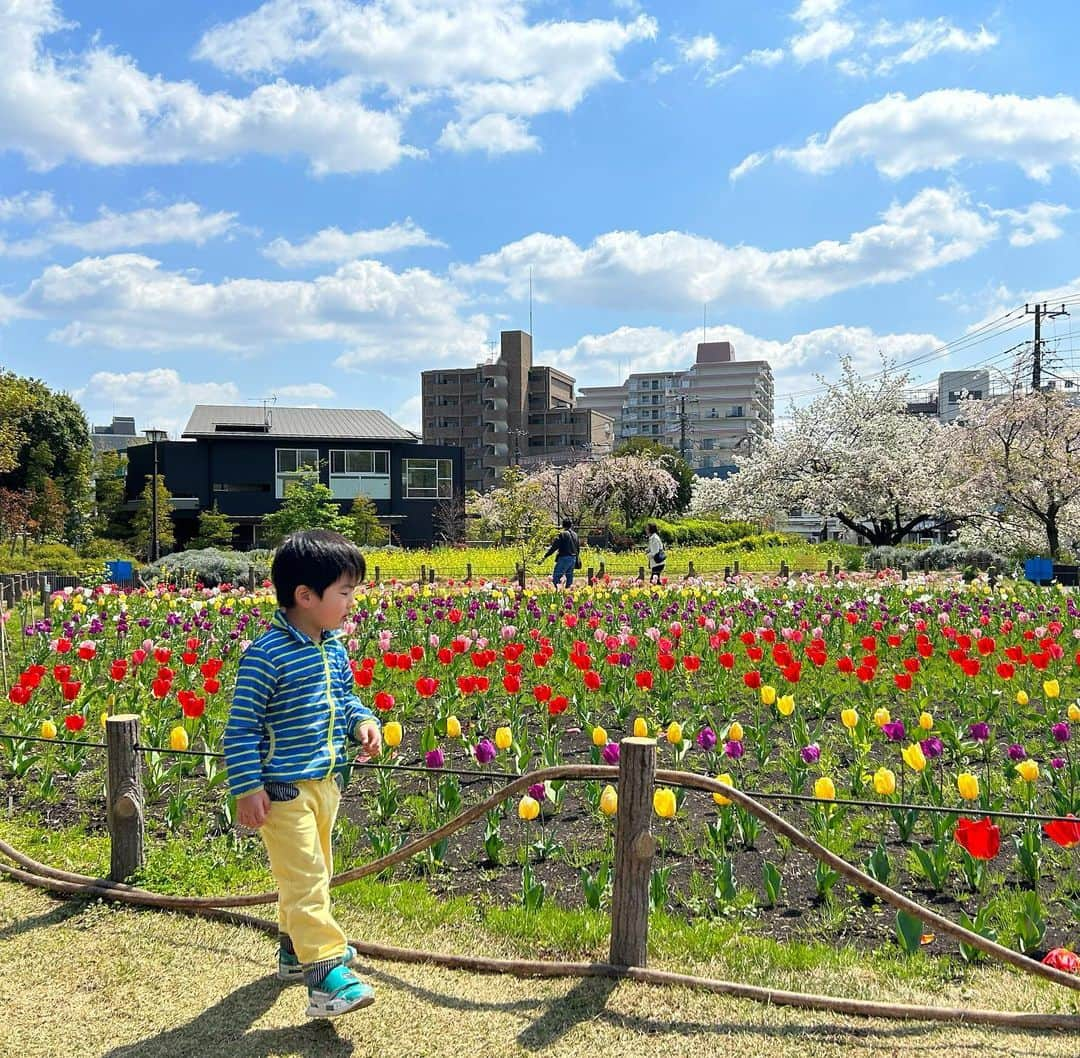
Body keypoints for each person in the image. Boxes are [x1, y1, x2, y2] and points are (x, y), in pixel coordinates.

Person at [224, 529, 381, 1019]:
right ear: (305, 596)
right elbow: (241, 726)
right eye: (345, 592)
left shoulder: (333, 648)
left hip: (325, 783)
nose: (353, 602)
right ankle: (326, 976)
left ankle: (294, 950)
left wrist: (363, 721)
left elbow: (345, 698)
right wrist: (247, 787)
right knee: (308, 878)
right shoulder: (266, 654)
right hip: (282, 790)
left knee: (316, 873)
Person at [543, 517, 580, 587]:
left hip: (564, 558)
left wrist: (546, 556)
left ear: (563, 525)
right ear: (571, 525)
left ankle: (558, 593)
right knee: (569, 579)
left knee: (556, 577)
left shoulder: (562, 534)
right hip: (573, 558)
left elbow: (554, 547)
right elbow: (578, 549)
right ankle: (568, 593)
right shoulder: (575, 535)